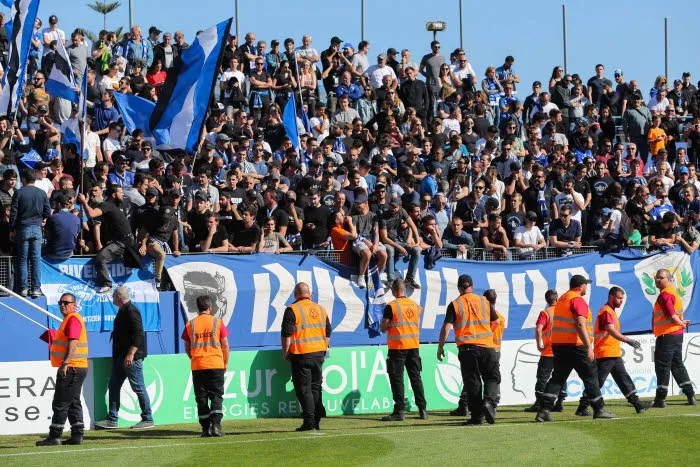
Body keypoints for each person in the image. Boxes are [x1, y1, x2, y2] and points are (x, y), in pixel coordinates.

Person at [535, 275, 616, 422]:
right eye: (586, 285)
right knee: (591, 377)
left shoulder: (562, 299)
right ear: (581, 286)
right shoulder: (577, 300)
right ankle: (599, 409)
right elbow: (580, 325)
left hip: (559, 345)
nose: (587, 287)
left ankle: (544, 410)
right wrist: (588, 347)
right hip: (576, 346)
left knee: (557, 378)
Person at [576, 287, 652, 415]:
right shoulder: (606, 311)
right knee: (598, 381)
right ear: (611, 297)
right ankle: (582, 407)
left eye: (622, 298)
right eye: (619, 298)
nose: (621, 301)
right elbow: (610, 330)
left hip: (612, 352)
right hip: (606, 352)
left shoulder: (610, 311)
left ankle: (637, 404)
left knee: (623, 378)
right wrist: (627, 340)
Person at [437, 274, 500, 425]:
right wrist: (487, 335)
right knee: (492, 377)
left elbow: (446, 327)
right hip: (487, 347)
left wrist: (440, 347)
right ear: (472, 286)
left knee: (473, 382)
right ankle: (489, 403)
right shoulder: (484, 301)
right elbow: (496, 321)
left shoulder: (455, 304)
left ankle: (477, 417)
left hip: (467, 348)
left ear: (459, 288)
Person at [94, 286, 155, 429]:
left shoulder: (131, 311)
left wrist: (131, 353)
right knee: (114, 386)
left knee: (138, 387)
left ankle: (148, 418)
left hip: (130, 358)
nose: (112, 298)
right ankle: (112, 419)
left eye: (114, 296)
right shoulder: (123, 310)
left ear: (119, 298)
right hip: (120, 357)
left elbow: (139, 334)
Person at [35, 293, 88, 446]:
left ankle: (54, 436)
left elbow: (73, 342)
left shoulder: (72, 319)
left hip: (72, 367)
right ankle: (77, 435)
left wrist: (65, 363)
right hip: (77, 366)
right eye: (60, 302)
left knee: (61, 402)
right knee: (73, 402)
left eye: (66, 302)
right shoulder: (71, 319)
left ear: (74, 304)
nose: (62, 305)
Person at [281, 282, 331, 431]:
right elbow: (328, 332)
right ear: (310, 294)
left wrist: (285, 352)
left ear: (296, 294)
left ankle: (309, 421)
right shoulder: (321, 309)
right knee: (315, 387)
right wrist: (323, 347)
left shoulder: (292, 309)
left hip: (301, 354)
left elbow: (286, 335)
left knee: (304, 389)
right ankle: (316, 420)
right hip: (319, 354)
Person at [379, 279, 428, 421]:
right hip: (413, 346)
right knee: (416, 377)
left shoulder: (391, 306)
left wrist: (384, 324)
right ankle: (423, 409)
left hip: (397, 347)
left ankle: (399, 411)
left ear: (394, 291)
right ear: (404, 289)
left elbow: (383, 327)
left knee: (397, 379)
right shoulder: (415, 306)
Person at [182, 295, 230, 437]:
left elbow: (187, 345)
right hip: (215, 364)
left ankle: (205, 429)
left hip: (198, 366)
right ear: (210, 307)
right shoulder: (218, 322)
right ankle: (216, 426)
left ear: (198, 308)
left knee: (201, 397)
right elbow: (225, 344)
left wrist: (194, 357)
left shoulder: (190, 325)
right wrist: (225, 362)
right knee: (216, 396)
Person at [651, 269, 696, 407]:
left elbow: (670, 314)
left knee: (662, 366)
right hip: (676, 335)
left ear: (668, 279)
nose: (657, 279)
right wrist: (681, 323)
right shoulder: (672, 292)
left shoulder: (665, 295)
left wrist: (680, 322)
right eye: (656, 277)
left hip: (667, 335)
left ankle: (660, 399)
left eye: (660, 277)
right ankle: (690, 394)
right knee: (677, 365)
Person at [77, 187, 135, 293]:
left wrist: (84, 202)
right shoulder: (107, 205)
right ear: (113, 194)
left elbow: (91, 214)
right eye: (121, 192)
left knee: (100, 259)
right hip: (121, 241)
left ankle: (107, 284)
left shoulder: (107, 205)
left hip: (123, 242)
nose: (123, 195)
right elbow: (92, 215)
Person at [523, 290, 568, 413]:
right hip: (563, 349)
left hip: (549, 351)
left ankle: (539, 403)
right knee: (561, 377)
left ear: (546, 300)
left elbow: (538, 329)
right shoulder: (563, 312)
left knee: (543, 377)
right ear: (557, 299)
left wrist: (539, 344)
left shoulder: (545, 313)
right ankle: (559, 402)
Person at [10, 168, 51, 297]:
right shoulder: (42, 193)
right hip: (37, 229)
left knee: (23, 260)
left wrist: (12, 229)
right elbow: (47, 211)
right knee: (36, 260)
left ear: (23, 179)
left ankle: (23, 288)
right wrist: (43, 219)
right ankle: (36, 289)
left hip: (23, 229)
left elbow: (14, 213)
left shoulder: (19, 192)